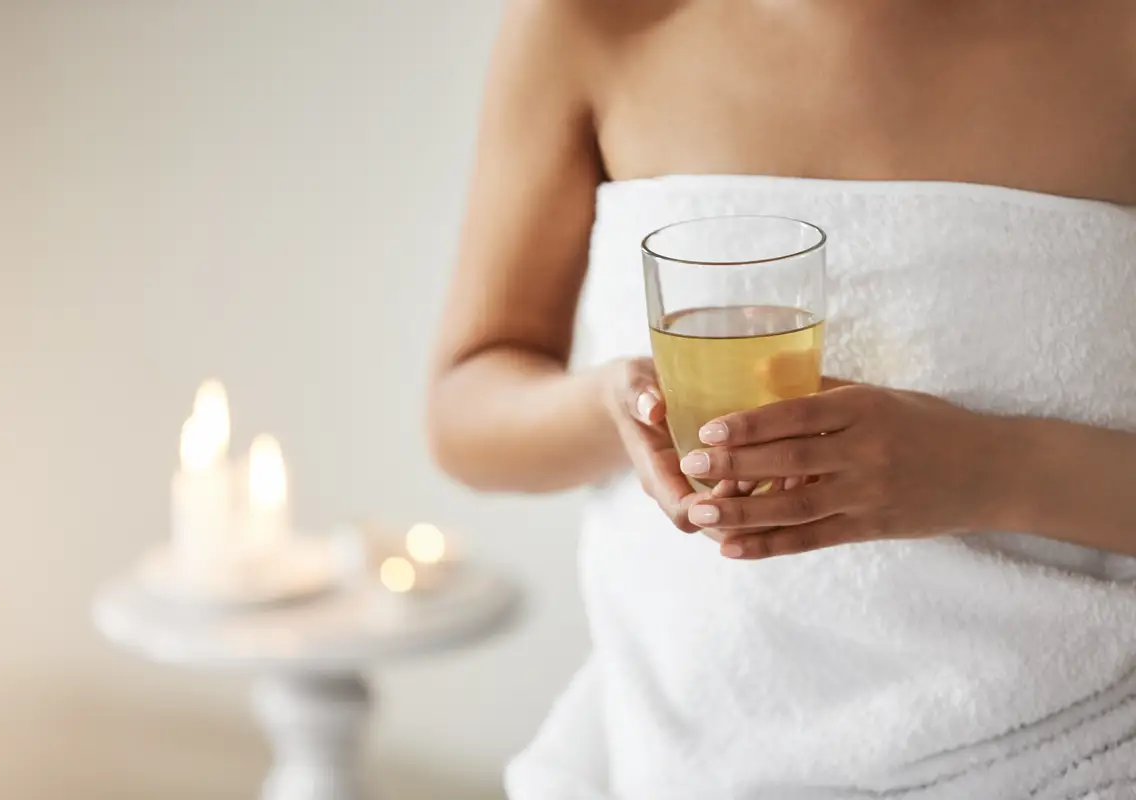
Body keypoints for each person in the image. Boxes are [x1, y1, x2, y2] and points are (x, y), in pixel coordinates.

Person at [427, 2, 1136, 797]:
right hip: (676, 760)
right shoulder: (595, 24)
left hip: (1073, 755)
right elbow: (466, 404)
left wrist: (995, 469)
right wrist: (614, 408)